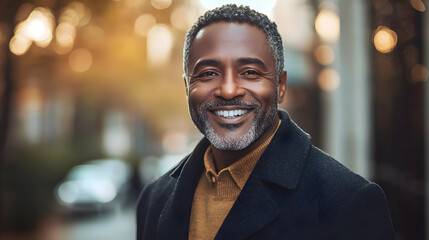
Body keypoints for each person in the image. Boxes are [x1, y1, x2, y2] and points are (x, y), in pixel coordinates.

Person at [136, 4, 395, 240]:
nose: (228, 90)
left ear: (280, 86)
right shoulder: (153, 200)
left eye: (250, 73)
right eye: (208, 73)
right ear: (187, 87)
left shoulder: (347, 202)